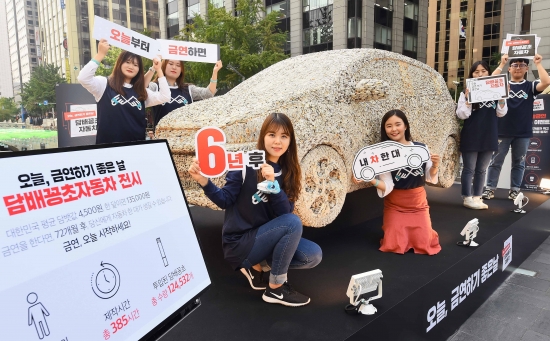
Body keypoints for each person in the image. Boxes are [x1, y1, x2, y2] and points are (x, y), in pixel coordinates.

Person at [188, 113, 322, 307]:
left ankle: (258, 267)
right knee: (293, 223)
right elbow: (224, 200)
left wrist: (273, 183)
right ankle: (276, 288)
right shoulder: (245, 163)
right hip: (239, 242)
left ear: (290, 140)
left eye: (284, 136)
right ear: (263, 137)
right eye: (272, 134)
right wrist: (203, 181)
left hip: (265, 238)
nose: (278, 141)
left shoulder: (289, 171)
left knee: (313, 255)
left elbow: (285, 212)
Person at [353, 110, 441, 255]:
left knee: (425, 244)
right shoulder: (384, 155)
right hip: (395, 206)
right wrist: (371, 180)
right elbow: (387, 186)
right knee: (392, 244)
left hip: (418, 205)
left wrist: (436, 165)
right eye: (389, 126)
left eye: (397, 124)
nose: (394, 129)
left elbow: (429, 177)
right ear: (385, 129)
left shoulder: (420, 148)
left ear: (405, 126)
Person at [77, 39, 171, 144]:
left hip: (135, 149)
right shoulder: (104, 84)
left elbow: (165, 96)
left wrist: (158, 69)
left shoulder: (141, 92)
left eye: (136, 65)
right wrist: (100, 54)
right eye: (128, 62)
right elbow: (83, 78)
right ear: (120, 64)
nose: (131, 67)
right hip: (108, 150)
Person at [483, 54, 550, 200]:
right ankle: (490, 188)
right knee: (496, 162)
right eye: (515, 65)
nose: (518, 68)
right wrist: (501, 64)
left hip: (523, 132)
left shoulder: (530, 86)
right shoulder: (502, 84)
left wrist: (538, 64)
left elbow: (546, 82)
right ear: (509, 68)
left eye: (521, 65)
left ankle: (514, 190)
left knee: (519, 163)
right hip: (501, 130)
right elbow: (488, 82)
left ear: (526, 68)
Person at [456, 61, 508, 209]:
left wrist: (503, 98)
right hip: (471, 135)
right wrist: (467, 100)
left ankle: (478, 197)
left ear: (488, 73)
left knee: (482, 169)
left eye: (483, 71)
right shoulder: (465, 92)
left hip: (489, 134)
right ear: (471, 75)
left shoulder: (495, 92)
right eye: (476, 72)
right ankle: (467, 197)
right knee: (469, 168)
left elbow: (501, 113)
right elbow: (461, 115)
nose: (480, 74)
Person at [147, 59, 223, 130]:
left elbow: (208, 93)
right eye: (170, 64)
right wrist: (154, 68)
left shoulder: (188, 89)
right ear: (163, 66)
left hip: (185, 137)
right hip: (162, 137)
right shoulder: (155, 86)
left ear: (181, 70)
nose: (174, 67)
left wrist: (215, 72)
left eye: (178, 65)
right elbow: (140, 89)